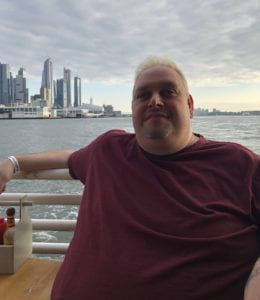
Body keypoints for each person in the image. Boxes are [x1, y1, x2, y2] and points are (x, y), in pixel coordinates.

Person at [0, 56, 259, 300]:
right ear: (133, 108)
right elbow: (69, 158)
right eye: (143, 95)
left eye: (168, 92)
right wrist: (13, 163)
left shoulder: (240, 164)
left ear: (190, 105)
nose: (155, 101)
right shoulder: (108, 149)